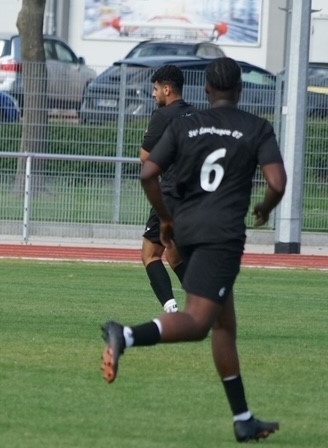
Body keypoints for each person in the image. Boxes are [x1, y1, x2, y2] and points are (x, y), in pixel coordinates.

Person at [101, 57, 287, 442]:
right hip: (220, 237)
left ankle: (243, 419)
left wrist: (165, 218)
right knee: (200, 322)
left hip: (184, 227)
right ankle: (125, 335)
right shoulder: (256, 127)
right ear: (240, 90)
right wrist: (265, 209)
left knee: (224, 324)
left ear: (206, 89)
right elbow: (278, 182)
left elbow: (148, 172)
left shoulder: (186, 124)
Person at [139, 64, 197, 313]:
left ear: (167, 89)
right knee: (174, 255)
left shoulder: (162, 116)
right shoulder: (196, 115)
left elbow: (145, 157)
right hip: (195, 195)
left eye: (155, 89)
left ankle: (172, 310)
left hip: (171, 194)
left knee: (150, 254)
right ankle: (207, 304)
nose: (153, 94)